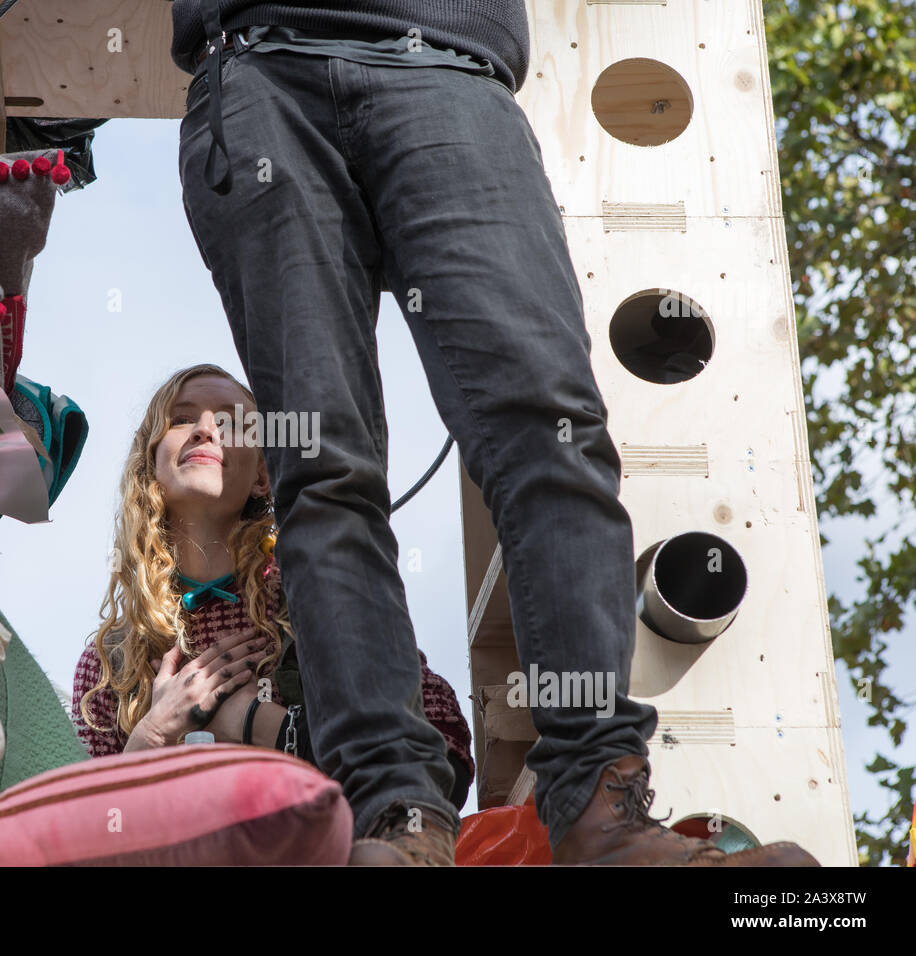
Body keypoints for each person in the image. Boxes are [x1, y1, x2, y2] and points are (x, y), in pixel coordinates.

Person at [172, 2, 819, 866]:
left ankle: (600, 807)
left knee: (551, 431)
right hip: (257, 67)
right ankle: (396, 817)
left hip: (448, 64)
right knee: (323, 472)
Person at [71, 364, 475, 816]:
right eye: (182, 419)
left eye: (230, 423)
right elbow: (78, 833)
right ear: (151, 464)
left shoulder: (322, 605)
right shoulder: (110, 662)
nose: (205, 430)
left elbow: (442, 748)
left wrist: (258, 725)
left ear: (263, 476)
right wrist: (152, 735)